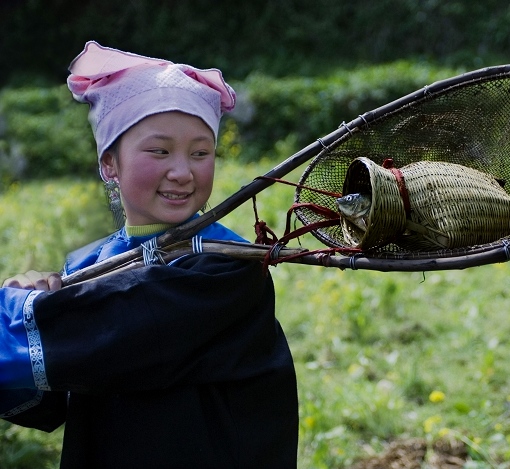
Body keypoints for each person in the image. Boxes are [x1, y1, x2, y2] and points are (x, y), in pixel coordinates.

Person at [0, 41, 298, 468]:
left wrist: (29, 318)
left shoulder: (227, 269)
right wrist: (32, 303)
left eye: (201, 152)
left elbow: (121, 320)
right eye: (159, 151)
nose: (182, 171)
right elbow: (58, 387)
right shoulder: (87, 266)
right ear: (109, 164)